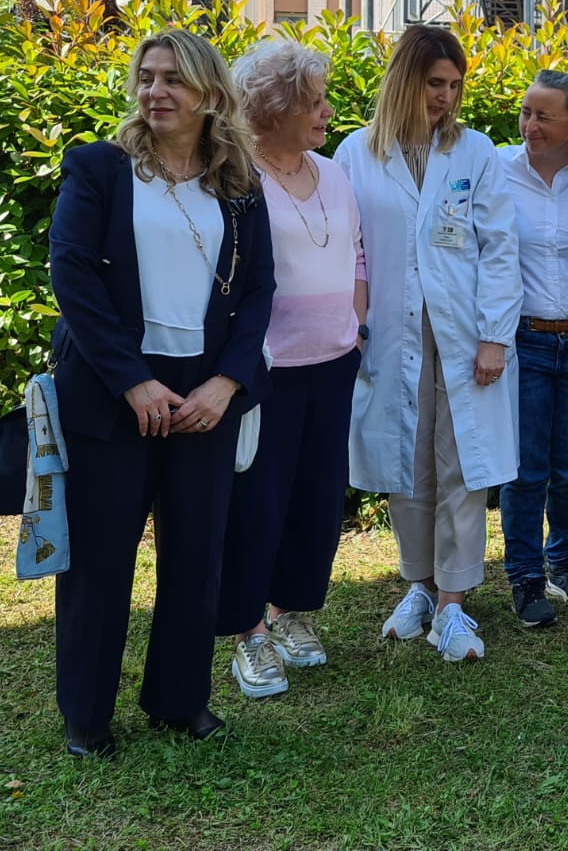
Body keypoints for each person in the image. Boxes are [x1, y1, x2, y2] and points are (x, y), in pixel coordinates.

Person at [48, 29, 273, 757]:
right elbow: (73, 278)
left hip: (203, 391)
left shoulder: (238, 187)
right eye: (147, 77)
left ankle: (180, 701)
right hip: (115, 387)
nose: (156, 92)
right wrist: (132, 381)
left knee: (196, 554)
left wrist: (227, 381)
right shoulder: (99, 170)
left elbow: (260, 292)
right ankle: (87, 713)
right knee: (100, 559)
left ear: (210, 94)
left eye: (173, 79)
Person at [334, 25, 520, 663]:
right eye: (434, 82)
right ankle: (417, 585)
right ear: (404, 80)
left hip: (465, 338)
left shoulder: (476, 153)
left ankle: (454, 604)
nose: (445, 96)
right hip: (390, 335)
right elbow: (345, 250)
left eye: (454, 85)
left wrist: (495, 336)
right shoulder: (356, 153)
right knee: (405, 467)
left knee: (461, 469)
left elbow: (500, 251)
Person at [216, 41, 363, 697]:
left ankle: (290, 613)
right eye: (314, 102)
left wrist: (353, 324)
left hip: (334, 362)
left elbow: (357, 254)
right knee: (258, 503)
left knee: (315, 500)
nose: (327, 112)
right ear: (273, 108)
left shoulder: (333, 172)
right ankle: (248, 632)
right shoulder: (236, 177)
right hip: (268, 369)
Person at [498, 71, 568, 628]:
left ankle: (566, 562)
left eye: (545, 116)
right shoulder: (497, 168)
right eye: (526, 113)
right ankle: (524, 575)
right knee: (524, 468)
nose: (530, 126)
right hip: (523, 339)